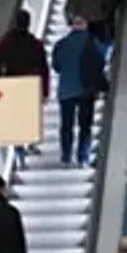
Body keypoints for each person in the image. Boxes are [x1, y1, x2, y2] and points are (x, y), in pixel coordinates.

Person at [0, 9, 50, 163]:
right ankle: (30, 143)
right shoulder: (34, 43)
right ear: (28, 24)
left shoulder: (7, 41)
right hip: (30, 84)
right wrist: (44, 91)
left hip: (13, 83)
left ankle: (19, 150)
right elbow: (44, 68)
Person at [50, 17, 108, 168]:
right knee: (85, 125)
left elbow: (56, 66)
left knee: (66, 125)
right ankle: (83, 157)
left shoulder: (61, 44)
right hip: (86, 90)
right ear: (86, 25)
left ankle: (66, 157)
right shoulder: (93, 42)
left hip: (66, 89)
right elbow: (101, 61)